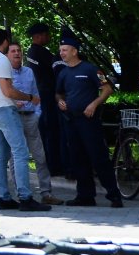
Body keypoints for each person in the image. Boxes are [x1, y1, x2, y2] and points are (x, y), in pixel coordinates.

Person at [0, 28, 48, 211]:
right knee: (20, 152)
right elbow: (8, 91)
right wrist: (30, 98)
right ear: (6, 41)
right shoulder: (1, 60)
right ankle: (25, 197)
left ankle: (3, 197)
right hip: (4, 109)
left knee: (0, 156)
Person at [52, 32, 122, 207]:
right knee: (77, 158)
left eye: (64, 50)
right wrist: (60, 101)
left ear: (74, 51)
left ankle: (114, 195)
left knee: (98, 157)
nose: (61, 53)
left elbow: (107, 89)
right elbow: (58, 93)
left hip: (89, 121)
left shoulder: (90, 69)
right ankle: (85, 195)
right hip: (71, 121)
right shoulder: (63, 73)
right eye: (60, 50)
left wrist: (94, 104)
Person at [7, 42, 59, 204]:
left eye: (19, 50)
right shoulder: (4, 75)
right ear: (7, 55)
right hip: (14, 119)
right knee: (16, 158)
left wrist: (37, 114)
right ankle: (21, 193)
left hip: (31, 118)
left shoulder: (29, 71)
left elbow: (36, 95)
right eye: (13, 51)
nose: (17, 53)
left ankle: (46, 193)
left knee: (40, 156)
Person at [26, 23, 64, 191]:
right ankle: (54, 165)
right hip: (47, 96)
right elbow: (56, 70)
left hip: (40, 96)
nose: (49, 37)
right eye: (47, 34)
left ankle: (50, 163)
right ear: (39, 36)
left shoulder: (31, 53)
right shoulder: (42, 53)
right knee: (51, 131)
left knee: (45, 131)